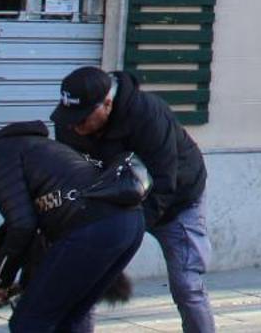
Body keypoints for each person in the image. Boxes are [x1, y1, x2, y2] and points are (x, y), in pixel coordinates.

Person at [0, 118, 145, 332]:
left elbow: (22, 225)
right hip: (128, 223)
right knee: (69, 318)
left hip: (92, 228)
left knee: (27, 323)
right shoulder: (27, 145)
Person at [53, 67, 213, 333]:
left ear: (107, 104)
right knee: (83, 281)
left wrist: (125, 234)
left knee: (187, 285)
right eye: (69, 117)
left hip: (177, 200)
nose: (74, 126)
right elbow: (69, 175)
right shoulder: (69, 121)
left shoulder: (147, 113)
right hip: (112, 201)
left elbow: (165, 182)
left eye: (82, 119)